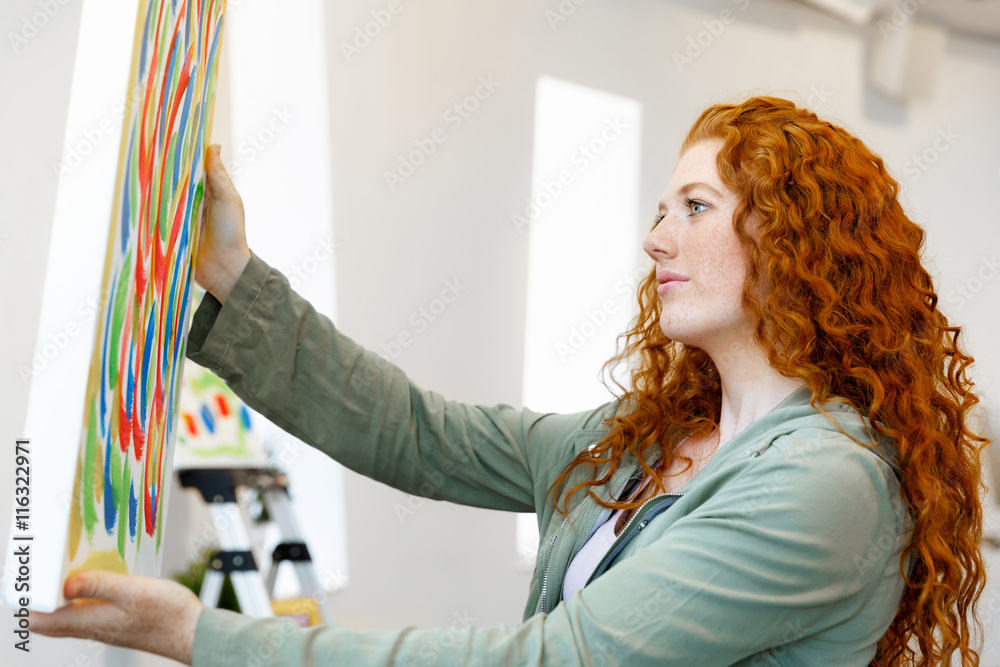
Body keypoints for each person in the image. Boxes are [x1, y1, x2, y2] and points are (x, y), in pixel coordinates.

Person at [30, 96, 988, 666]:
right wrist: (231, 280)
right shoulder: (657, 432)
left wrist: (213, 636)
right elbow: (419, 433)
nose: (656, 238)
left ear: (794, 242)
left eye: (695, 206)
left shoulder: (827, 483)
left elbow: (559, 659)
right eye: (660, 208)